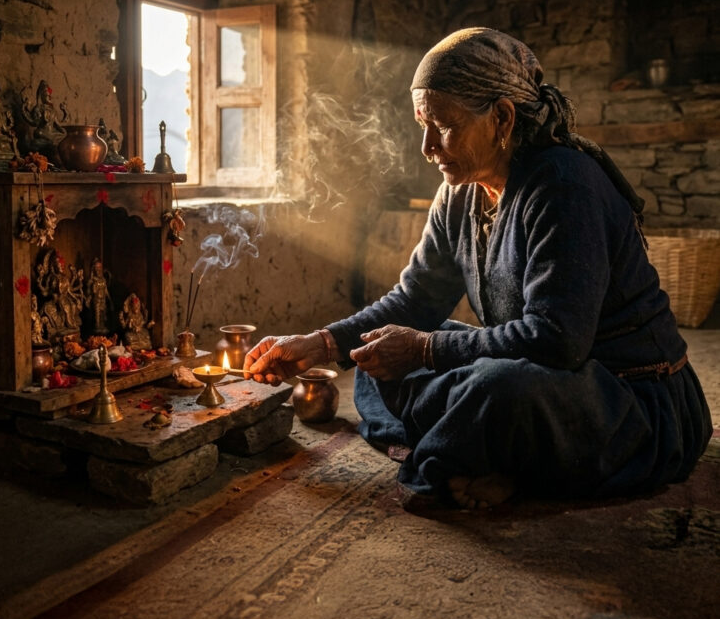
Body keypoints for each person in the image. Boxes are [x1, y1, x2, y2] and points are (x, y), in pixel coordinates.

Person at [244, 27, 713, 511]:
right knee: (376, 353)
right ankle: (483, 453)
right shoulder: (460, 190)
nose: (428, 146)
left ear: (502, 119)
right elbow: (417, 299)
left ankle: (478, 453)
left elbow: (557, 340)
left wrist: (427, 349)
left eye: (443, 126)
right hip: (539, 371)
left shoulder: (562, 185)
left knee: (495, 389)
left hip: (625, 397)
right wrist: (323, 343)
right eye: (421, 125)